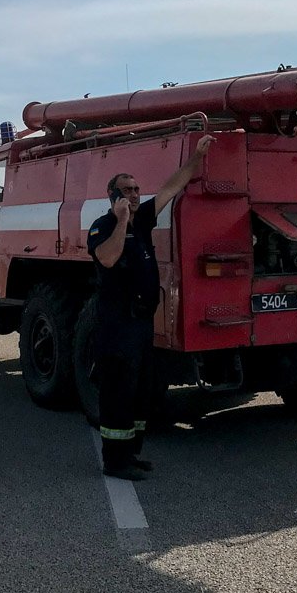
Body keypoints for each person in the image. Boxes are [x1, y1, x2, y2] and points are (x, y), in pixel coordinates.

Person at [87, 134, 215, 480]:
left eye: (135, 189)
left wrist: (196, 157)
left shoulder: (143, 218)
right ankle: (115, 462)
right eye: (126, 190)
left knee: (140, 390)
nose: (133, 194)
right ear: (112, 196)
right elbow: (108, 258)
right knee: (118, 392)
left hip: (141, 323)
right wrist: (121, 221)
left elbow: (171, 188)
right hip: (117, 325)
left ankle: (131, 453)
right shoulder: (102, 227)